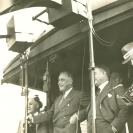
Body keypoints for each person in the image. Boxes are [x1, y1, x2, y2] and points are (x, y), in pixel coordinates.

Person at [86, 65, 129, 133]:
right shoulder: (95, 93)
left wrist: (114, 128)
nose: (91, 77)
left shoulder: (117, 87)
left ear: (104, 73)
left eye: (94, 74)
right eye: (90, 75)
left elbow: (125, 108)